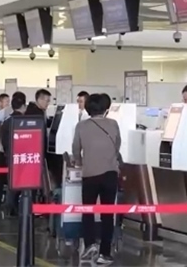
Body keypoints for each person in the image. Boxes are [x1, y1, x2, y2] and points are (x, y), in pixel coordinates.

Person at [73, 93, 122, 264]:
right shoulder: (113, 124)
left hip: (90, 174)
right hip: (110, 174)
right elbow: (117, 146)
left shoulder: (81, 126)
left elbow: (76, 149)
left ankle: (90, 244)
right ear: (106, 109)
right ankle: (104, 254)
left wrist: (80, 162)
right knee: (107, 214)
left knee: (87, 211)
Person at [0, 91, 29, 214]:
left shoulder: (7, 121)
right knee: (22, 184)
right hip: (22, 156)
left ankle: (9, 207)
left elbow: (4, 141)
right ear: (23, 106)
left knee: (12, 183)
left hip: (10, 156)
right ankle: (18, 208)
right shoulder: (25, 121)